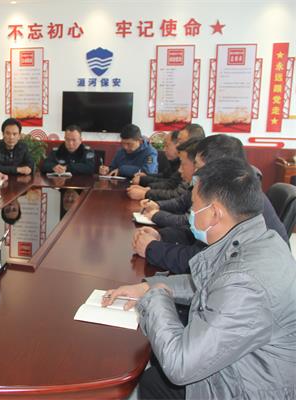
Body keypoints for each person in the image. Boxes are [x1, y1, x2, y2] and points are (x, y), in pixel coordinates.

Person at [103, 158, 296, 399]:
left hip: (248, 390)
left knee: (156, 373)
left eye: (194, 207)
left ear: (215, 213)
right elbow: (209, 283)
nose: (190, 214)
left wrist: (156, 296)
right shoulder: (256, 239)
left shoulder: (246, 282)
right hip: (241, 368)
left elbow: (180, 365)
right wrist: (147, 286)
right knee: (153, 379)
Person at [135, 134, 288, 273]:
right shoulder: (228, 189)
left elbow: (202, 262)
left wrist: (151, 248)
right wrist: (162, 235)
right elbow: (197, 234)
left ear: (218, 168)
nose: (195, 173)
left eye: (198, 167)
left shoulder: (234, 200)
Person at [128, 124, 205, 200]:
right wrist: (146, 182)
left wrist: (146, 192)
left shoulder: (198, 173)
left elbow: (177, 193)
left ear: (193, 143)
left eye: (180, 141)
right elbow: (168, 179)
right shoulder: (179, 161)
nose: (177, 146)